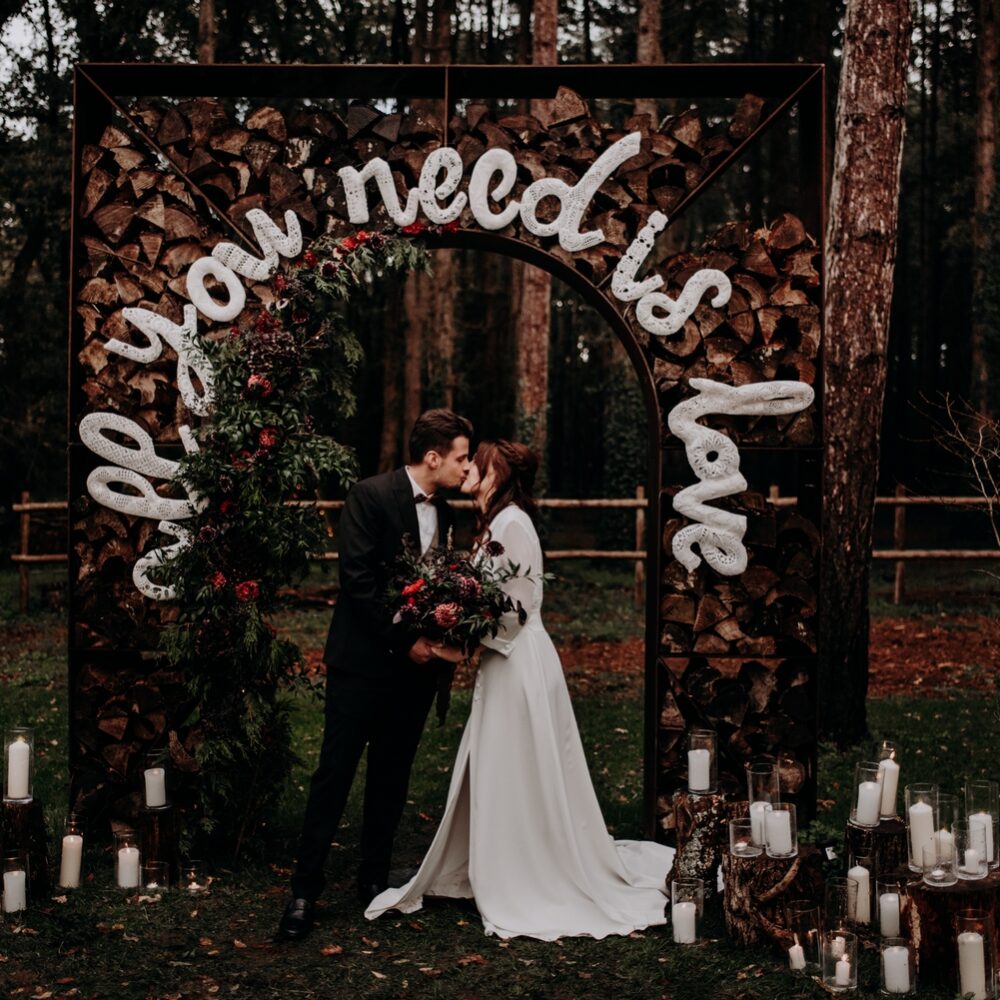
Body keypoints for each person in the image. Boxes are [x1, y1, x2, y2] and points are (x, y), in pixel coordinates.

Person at [364, 439, 675, 940]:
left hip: (519, 662)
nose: (468, 470)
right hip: (503, 663)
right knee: (497, 763)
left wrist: (455, 647)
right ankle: (496, 858)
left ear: (497, 474)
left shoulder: (513, 524)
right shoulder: (493, 522)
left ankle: (524, 868)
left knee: (515, 763)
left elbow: (515, 612)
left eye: (476, 464)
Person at [277, 408, 473, 940]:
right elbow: (357, 582)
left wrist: (442, 633)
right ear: (432, 457)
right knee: (333, 777)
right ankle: (303, 891)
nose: (466, 466)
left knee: (391, 779)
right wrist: (404, 640)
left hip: (413, 676)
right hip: (361, 666)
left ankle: (373, 882)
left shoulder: (449, 513)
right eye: (460, 457)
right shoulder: (369, 496)